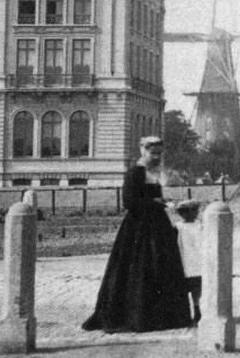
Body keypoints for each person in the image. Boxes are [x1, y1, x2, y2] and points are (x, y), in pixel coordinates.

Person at [82, 136, 193, 333]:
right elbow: (130, 202)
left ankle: (165, 317)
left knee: (162, 266)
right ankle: (137, 316)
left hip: (158, 225)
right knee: (138, 269)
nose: (157, 157)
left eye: (160, 153)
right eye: (153, 153)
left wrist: (165, 202)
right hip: (138, 228)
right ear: (143, 151)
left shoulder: (153, 172)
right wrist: (157, 204)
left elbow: (151, 196)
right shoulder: (134, 173)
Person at [173, 199, 203, 324]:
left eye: (193, 211)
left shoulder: (200, 225)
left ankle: (197, 308)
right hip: (185, 260)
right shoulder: (178, 227)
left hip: (197, 260)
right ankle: (189, 311)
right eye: (184, 212)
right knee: (188, 287)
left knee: (197, 287)